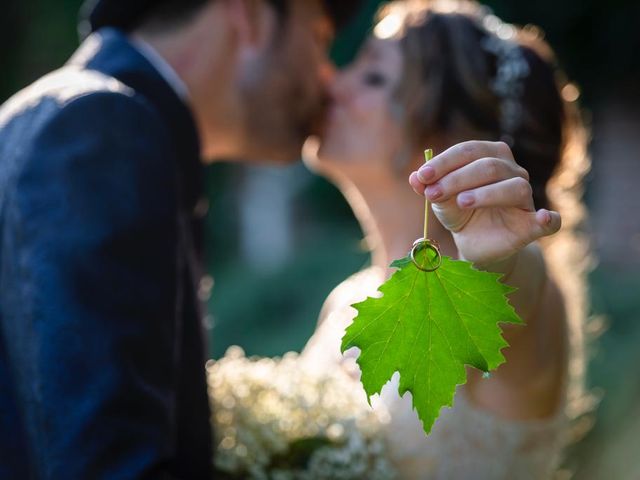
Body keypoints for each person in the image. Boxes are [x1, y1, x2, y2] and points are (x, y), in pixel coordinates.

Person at [0, 0, 362, 478]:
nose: (326, 76)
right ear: (249, 17)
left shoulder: (58, 114)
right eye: (318, 38)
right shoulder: (101, 126)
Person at [302, 1, 592, 478]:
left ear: (452, 139)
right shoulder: (347, 301)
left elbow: (506, 288)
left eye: (374, 77)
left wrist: (496, 258)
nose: (335, 82)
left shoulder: (518, 287)